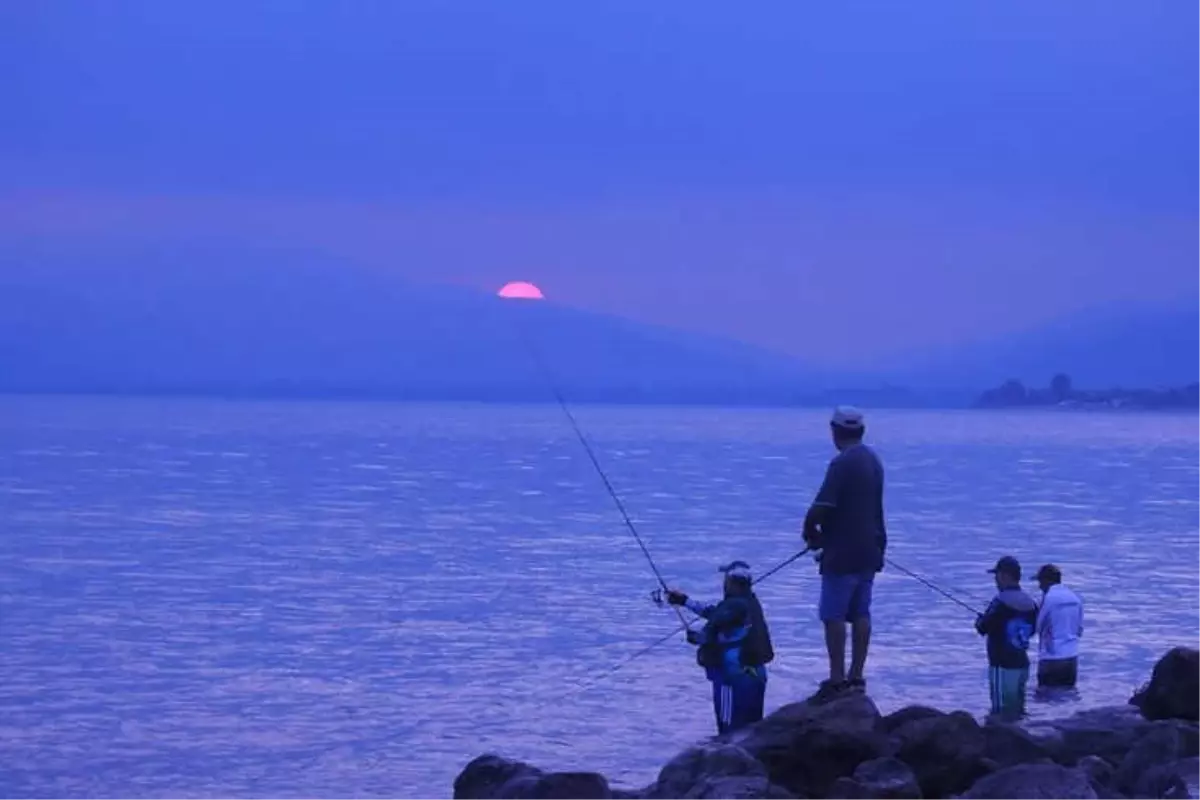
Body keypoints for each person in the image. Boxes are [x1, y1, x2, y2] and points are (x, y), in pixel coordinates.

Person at [802, 406, 887, 701]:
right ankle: (857, 676)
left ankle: (837, 678)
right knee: (861, 612)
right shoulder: (874, 461)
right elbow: (877, 510)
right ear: (861, 431)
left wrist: (810, 532)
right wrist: (881, 547)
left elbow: (822, 506)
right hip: (870, 550)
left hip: (841, 554)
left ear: (835, 431)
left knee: (833, 615)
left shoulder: (842, 463)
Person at [664, 561, 774, 733]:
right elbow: (716, 613)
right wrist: (685, 601)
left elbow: (709, 630)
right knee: (752, 729)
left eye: (726, 579)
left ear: (731, 582)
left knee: (728, 730)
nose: (723, 583)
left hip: (732, 678)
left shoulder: (734, 605)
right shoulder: (750, 603)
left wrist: (696, 638)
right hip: (756, 673)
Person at [975, 556, 1038, 719]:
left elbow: (983, 627)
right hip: (1022, 664)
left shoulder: (1000, 602)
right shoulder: (1030, 603)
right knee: (1018, 709)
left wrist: (979, 619)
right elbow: (1033, 630)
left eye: (997, 575)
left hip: (1001, 666)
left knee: (999, 713)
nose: (995, 580)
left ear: (1005, 576)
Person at [1035, 564, 1083, 688]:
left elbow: (1038, 626)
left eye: (1040, 582)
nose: (1039, 586)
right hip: (1071, 658)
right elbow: (1079, 630)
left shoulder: (1048, 598)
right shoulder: (1075, 598)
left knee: (1045, 700)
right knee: (1068, 696)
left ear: (1046, 581)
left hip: (1051, 658)